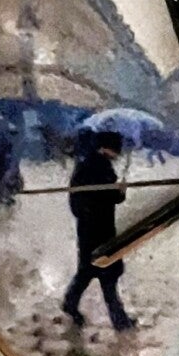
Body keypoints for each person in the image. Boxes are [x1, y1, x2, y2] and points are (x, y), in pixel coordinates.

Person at [62, 130, 133, 329]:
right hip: (100, 229)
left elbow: (80, 200)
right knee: (105, 274)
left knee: (89, 271)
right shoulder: (101, 167)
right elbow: (109, 197)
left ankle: (71, 304)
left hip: (88, 228)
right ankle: (120, 321)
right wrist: (120, 191)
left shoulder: (86, 165)